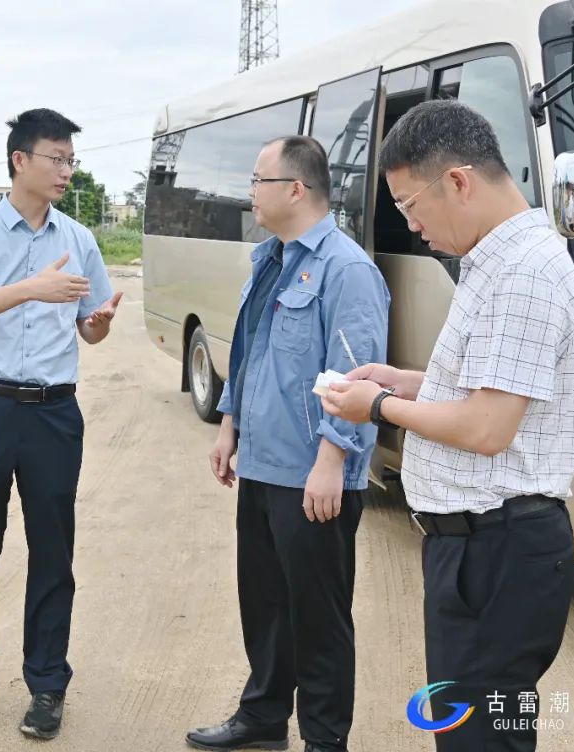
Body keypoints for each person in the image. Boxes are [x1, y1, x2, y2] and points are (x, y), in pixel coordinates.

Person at [322, 100, 574, 752]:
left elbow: (487, 427)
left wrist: (376, 410)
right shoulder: (494, 260)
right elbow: (483, 387)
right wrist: (401, 381)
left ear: (459, 182)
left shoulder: (522, 270)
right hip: (480, 545)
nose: (411, 226)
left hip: (497, 549)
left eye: (411, 206)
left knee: (482, 740)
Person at [185, 136, 390, 752]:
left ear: (295, 189)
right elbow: (247, 353)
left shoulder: (347, 270)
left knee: (319, 618)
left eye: (258, 180)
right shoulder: (269, 259)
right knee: (266, 603)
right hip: (264, 466)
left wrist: (332, 460)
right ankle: (264, 717)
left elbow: (355, 375)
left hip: (314, 475)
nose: (249, 192)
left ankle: (325, 739)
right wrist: (229, 425)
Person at [0, 108, 120, 741]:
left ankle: (46, 683)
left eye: (70, 159)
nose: (67, 169)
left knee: (53, 552)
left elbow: (89, 325)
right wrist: (29, 288)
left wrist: (99, 321)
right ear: (20, 161)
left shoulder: (80, 239)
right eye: (57, 158)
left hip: (53, 414)